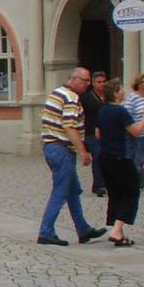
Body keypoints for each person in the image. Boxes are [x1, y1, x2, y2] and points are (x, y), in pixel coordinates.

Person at [37, 67, 109, 246]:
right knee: (61, 191)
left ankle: (83, 229)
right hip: (61, 148)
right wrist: (82, 151)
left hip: (52, 147)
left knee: (73, 191)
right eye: (84, 81)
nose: (87, 85)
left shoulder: (56, 93)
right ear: (74, 79)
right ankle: (46, 231)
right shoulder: (71, 97)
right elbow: (69, 126)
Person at [93, 78, 144, 247]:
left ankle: (118, 231)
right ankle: (117, 229)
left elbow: (98, 134)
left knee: (115, 194)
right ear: (115, 92)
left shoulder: (102, 110)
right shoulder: (120, 112)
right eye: (120, 89)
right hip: (120, 157)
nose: (123, 91)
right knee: (131, 191)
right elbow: (137, 132)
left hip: (104, 157)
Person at [80, 71, 109, 197]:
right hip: (91, 132)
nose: (102, 84)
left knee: (106, 157)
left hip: (107, 132)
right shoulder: (86, 98)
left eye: (104, 81)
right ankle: (98, 185)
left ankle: (107, 183)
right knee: (97, 157)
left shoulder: (109, 97)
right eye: (99, 82)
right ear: (93, 83)